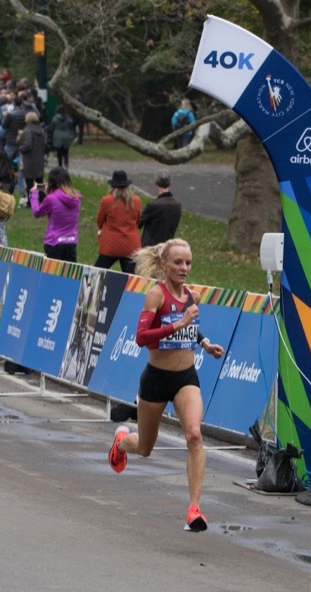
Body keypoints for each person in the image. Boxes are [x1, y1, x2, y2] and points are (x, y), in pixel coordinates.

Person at [107, 238, 225, 531]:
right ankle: (122, 441)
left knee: (195, 435)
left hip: (185, 378)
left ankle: (194, 510)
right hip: (156, 380)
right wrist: (178, 324)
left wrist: (206, 344)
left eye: (188, 263)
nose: (184, 268)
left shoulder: (192, 297)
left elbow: (192, 330)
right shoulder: (155, 296)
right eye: (178, 263)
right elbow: (141, 337)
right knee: (145, 448)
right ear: (164, 264)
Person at [94, 170, 142, 274]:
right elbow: (137, 221)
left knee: (96, 274)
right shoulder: (136, 200)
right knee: (132, 279)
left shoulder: (107, 201)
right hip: (131, 245)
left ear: (112, 185)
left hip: (110, 244)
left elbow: (99, 221)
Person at [30, 166, 81, 262]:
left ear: (52, 182)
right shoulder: (76, 197)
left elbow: (36, 213)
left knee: (52, 275)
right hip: (71, 241)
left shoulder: (51, 198)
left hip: (54, 243)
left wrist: (34, 193)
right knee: (69, 275)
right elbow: (61, 193)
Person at [138, 169, 183, 248]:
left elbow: (138, 223)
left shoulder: (154, 205)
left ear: (155, 183)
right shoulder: (177, 205)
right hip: (167, 246)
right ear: (170, 183)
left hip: (150, 247)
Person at [18, 110, 46, 202]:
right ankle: (42, 198)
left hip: (29, 159)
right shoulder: (41, 130)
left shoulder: (28, 130)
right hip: (39, 158)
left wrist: (22, 148)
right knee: (40, 181)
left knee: (29, 182)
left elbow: (28, 145)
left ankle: (30, 202)